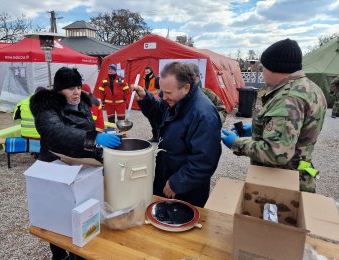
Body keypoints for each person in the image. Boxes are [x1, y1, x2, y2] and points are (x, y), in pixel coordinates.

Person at [30, 67, 121, 260]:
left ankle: (77, 252)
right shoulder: (47, 108)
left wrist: (100, 135)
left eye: (78, 86)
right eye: (70, 88)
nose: (77, 92)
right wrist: (93, 138)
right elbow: (57, 134)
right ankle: (59, 255)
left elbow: (86, 128)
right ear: (59, 90)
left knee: (81, 212)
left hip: (80, 167)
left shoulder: (83, 105)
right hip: (55, 168)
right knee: (56, 215)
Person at [221, 38, 327, 193]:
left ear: (275, 68)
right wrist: (260, 129)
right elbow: (296, 132)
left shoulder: (288, 99)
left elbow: (276, 153)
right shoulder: (310, 88)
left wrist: (237, 143)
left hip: (282, 183)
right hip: (297, 174)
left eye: (264, 67)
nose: (262, 72)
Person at [132, 61, 222, 207]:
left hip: (187, 191)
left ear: (186, 88)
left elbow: (205, 160)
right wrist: (146, 99)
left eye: (168, 93)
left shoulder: (203, 114)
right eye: (162, 91)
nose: (163, 97)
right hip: (166, 173)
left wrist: (177, 182)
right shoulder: (175, 100)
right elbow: (159, 111)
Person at [142, 66, 160, 142]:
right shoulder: (144, 80)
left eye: (148, 72)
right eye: (145, 72)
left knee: (157, 121)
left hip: (156, 103)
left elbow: (161, 90)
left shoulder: (156, 79)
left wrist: (149, 94)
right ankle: (155, 137)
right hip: (148, 103)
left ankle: (159, 137)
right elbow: (144, 90)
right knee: (151, 121)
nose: (146, 73)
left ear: (151, 72)